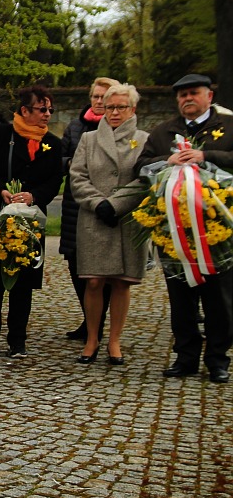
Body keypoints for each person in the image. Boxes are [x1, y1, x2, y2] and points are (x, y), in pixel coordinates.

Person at [135, 73, 233, 384]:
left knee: (219, 298)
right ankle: (186, 356)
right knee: (181, 297)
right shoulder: (164, 131)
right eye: (181, 95)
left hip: (219, 229)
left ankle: (218, 359)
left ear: (209, 95)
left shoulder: (229, 127)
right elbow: (141, 166)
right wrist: (168, 159)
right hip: (173, 230)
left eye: (193, 93)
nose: (186, 99)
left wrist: (207, 156)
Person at [0, 85, 63, 359]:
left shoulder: (53, 144)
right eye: (41, 109)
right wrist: (1, 189)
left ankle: (17, 340)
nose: (47, 115)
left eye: (50, 110)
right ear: (24, 110)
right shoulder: (1, 134)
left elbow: (54, 180)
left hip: (29, 222)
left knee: (22, 282)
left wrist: (34, 196)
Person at [68, 83, 150, 365]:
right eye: (110, 106)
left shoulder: (144, 139)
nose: (114, 112)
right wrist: (97, 202)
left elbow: (145, 180)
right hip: (94, 218)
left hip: (126, 220)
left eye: (121, 107)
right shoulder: (89, 139)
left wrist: (116, 205)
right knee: (93, 281)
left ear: (132, 109)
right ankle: (92, 337)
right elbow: (76, 176)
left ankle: (114, 341)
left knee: (120, 282)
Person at [60, 78, 118, 342]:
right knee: (76, 265)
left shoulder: (118, 129)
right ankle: (89, 319)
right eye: (95, 96)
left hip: (106, 207)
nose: (98, 101)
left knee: (103, 270)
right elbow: (61, 159)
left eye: (103, 97)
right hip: (75, 206)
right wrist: (73, 162)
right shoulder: (75, 127)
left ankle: (99, 323)